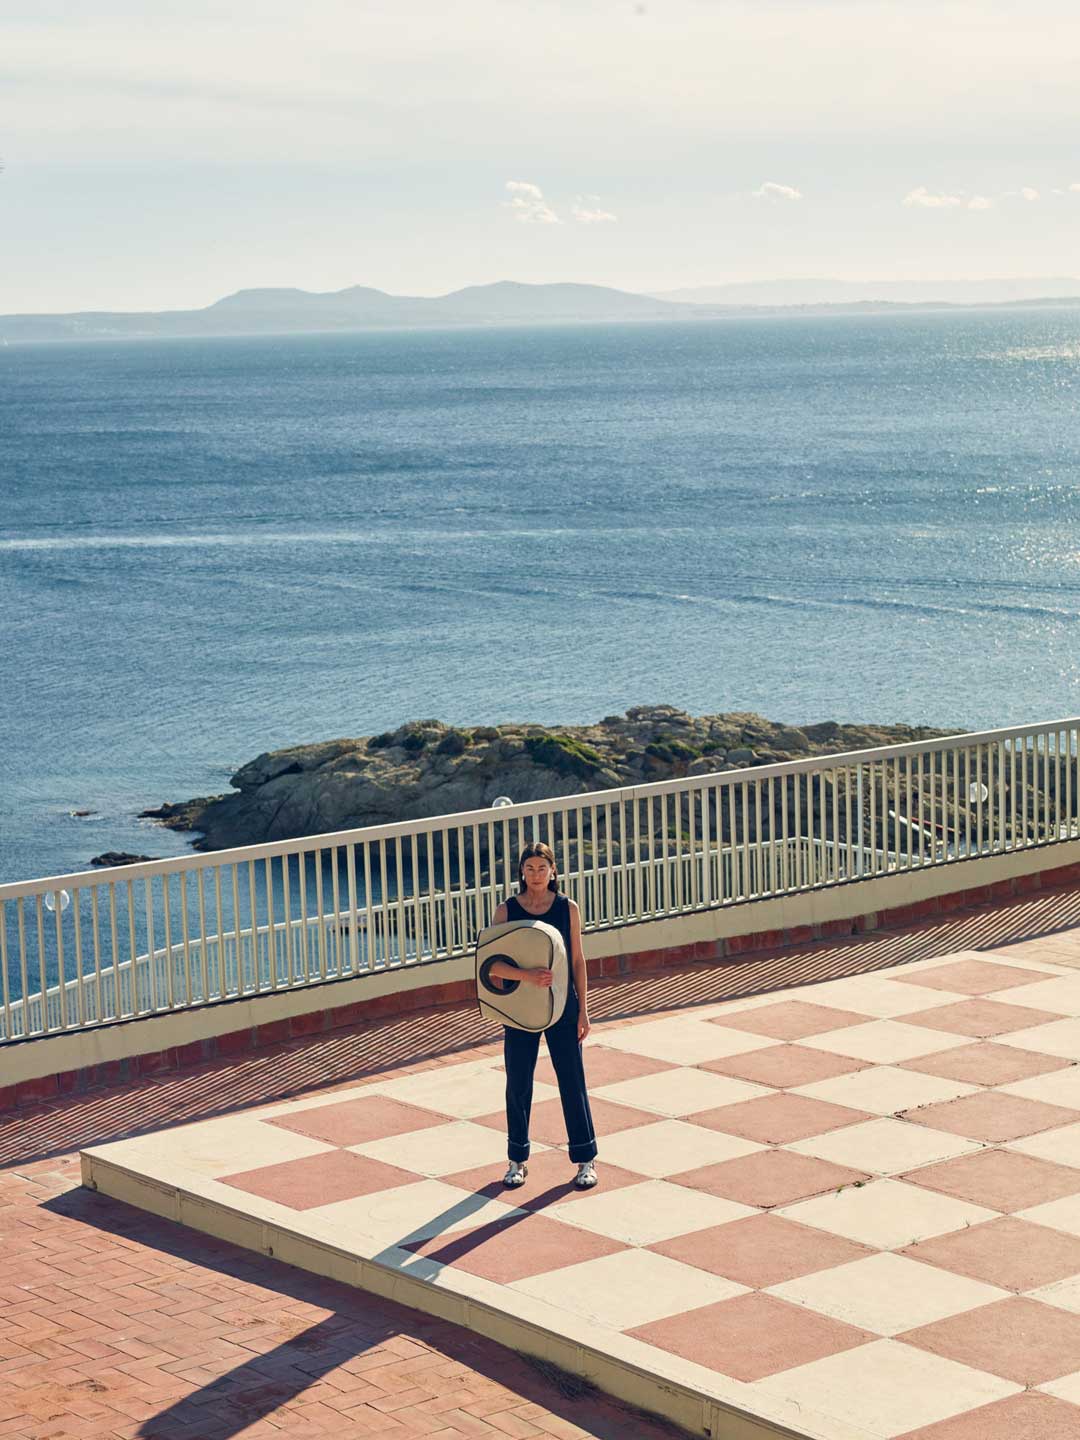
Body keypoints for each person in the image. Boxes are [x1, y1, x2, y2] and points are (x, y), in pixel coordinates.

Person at [486, 841, 598, 1190]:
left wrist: (583, 1010)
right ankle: (516, 1160)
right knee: (518, 1083)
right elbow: (491, 967)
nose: (536, 875)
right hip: (519, 1009)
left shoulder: (568, 908)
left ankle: (586, 1159)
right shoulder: (506, 911)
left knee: (572, 1081)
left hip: (563, 1005)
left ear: (553, 871)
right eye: (530, 868)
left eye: (542, 868)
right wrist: (527, 976)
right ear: (521, 871)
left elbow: (578, 961)